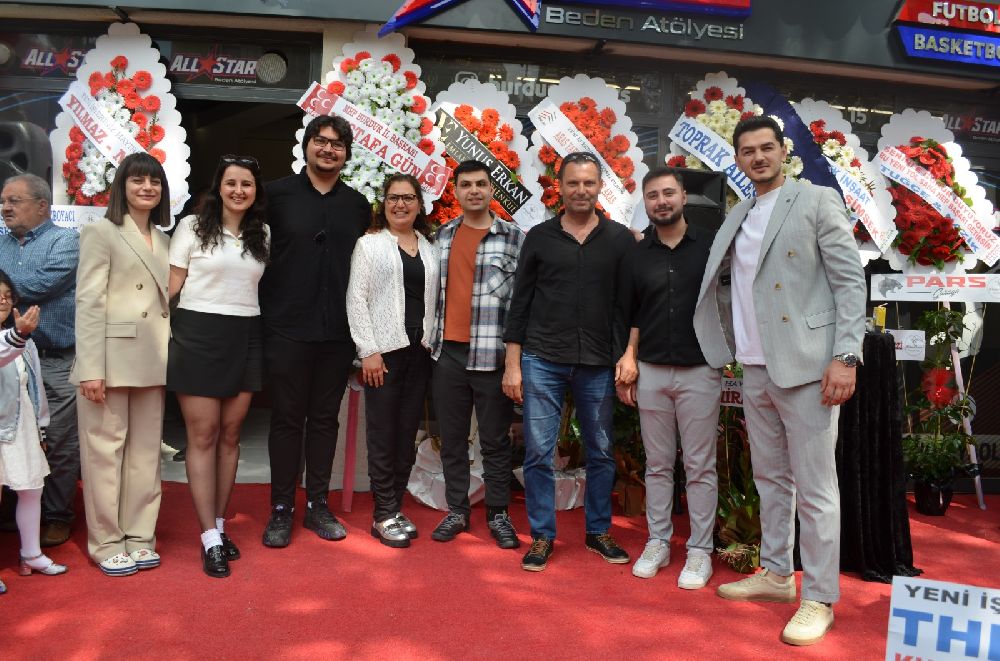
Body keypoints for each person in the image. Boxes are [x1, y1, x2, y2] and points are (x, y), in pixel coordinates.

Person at [693, 116, 866, 646]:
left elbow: (849, 282)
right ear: (737, 160)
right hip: (755, 366)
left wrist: (846, 356)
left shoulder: (815, 200)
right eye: (748, 151)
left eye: (766, 147)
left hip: (807, 364)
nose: (758, 157)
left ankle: (820, 596)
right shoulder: (739, 213)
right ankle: (776, 574)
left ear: (783, 150)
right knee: (770, 480)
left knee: (816, 489)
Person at [502, 151, 636, 572]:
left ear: (600, 187)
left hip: (598, 361)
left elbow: (629, 305)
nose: (581, 190)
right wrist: (512, 363)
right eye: (573, 183)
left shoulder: (619, 240)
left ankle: (598, 531)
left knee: (601, 451)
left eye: (588, 183)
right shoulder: (540, 237)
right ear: (559, 188)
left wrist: (628, 354)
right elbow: (520, 303)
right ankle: (543, 536)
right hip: (542, 357)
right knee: (538, 453)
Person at [259, 115, 371, 548]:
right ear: (306, 146)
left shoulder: (358, 205)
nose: (328, 149)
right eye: (320, 141)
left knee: (325, 421)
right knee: (287, 420)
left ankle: (318, 505)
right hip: (286, 327)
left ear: (346, 154)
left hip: (337, 332)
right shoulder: (274, 195)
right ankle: (281, 508)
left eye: (337, 144)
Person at [615, 167, 720, 588]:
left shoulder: (712, 246)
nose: (661, 201)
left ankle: (700, 550)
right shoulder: (637, 253)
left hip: (701, 370)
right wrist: (629, 358)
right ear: (645, 202)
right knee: (657, 466)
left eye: (668, 193)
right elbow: (631, 312)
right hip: (653, 371)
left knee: (699, 466)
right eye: (653, 195)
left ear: (683, 197)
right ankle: (658, 540)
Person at [168, 155, 270, 578]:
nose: (238, 191)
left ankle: (220, 525)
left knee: (231, 434)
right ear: (219, 187)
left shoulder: (262, 233)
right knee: (204, 434)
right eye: (231, 183)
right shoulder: (192, 227)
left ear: (256, 191)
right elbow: (170, 288)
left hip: (246, 334)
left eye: (247, 184)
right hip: (198, 334)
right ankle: (208, 536)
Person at [71, 152, 172, 577]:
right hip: (110, 362)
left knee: (145, 456)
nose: (147, 188)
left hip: (153, 358)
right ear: (122, 187)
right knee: (103, 456)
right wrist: (91, 368)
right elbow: (89, 302)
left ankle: (140, 536)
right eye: (138, 180)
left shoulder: (165, 240)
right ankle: (107, 542)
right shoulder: (101, 231)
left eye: (154, 181)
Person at [427, 160, 525, 548]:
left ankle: (498, 514)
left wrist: (515, 361)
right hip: (447, 354)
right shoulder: (442, 236)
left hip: (491, 356)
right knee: (451, 439)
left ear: (491, 190)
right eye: (465, 184)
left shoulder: (514, 238)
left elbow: (522, 304)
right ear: (455, 191)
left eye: (480, 184)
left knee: (495, 442)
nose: (474, 191)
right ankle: (457, 510)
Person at [347, 173, 438, 548]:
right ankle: (382, 514)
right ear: (383, 204)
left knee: (406, 436)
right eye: (393, 198)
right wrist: (367, 351)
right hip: (383, 355)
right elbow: (356, 299)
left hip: (421, 353)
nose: (400, 204)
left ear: (419, 204)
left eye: (408, 198)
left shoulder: (429, 247)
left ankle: (395, 507)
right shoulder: (369, 245)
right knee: (383, 436)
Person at [0, 174, 80, 548]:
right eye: (3, 201)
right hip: (8, 360)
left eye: (14, 201)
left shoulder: (66, 241)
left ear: (42, 205)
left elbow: (39, 286)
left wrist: (5, 288)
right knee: (10, 437)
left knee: (60, 441)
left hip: (56, 360)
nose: (5, 208)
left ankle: (57, 515)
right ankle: (11, 510)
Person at [0, 272, 67, 592]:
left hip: (22, 424)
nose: (3, 301)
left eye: (7, 295)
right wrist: (19, 334)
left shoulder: (24, 341)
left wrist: (41, 429)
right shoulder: (17, 338)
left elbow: (35, 388)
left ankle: (31, 554)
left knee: (31, 488)